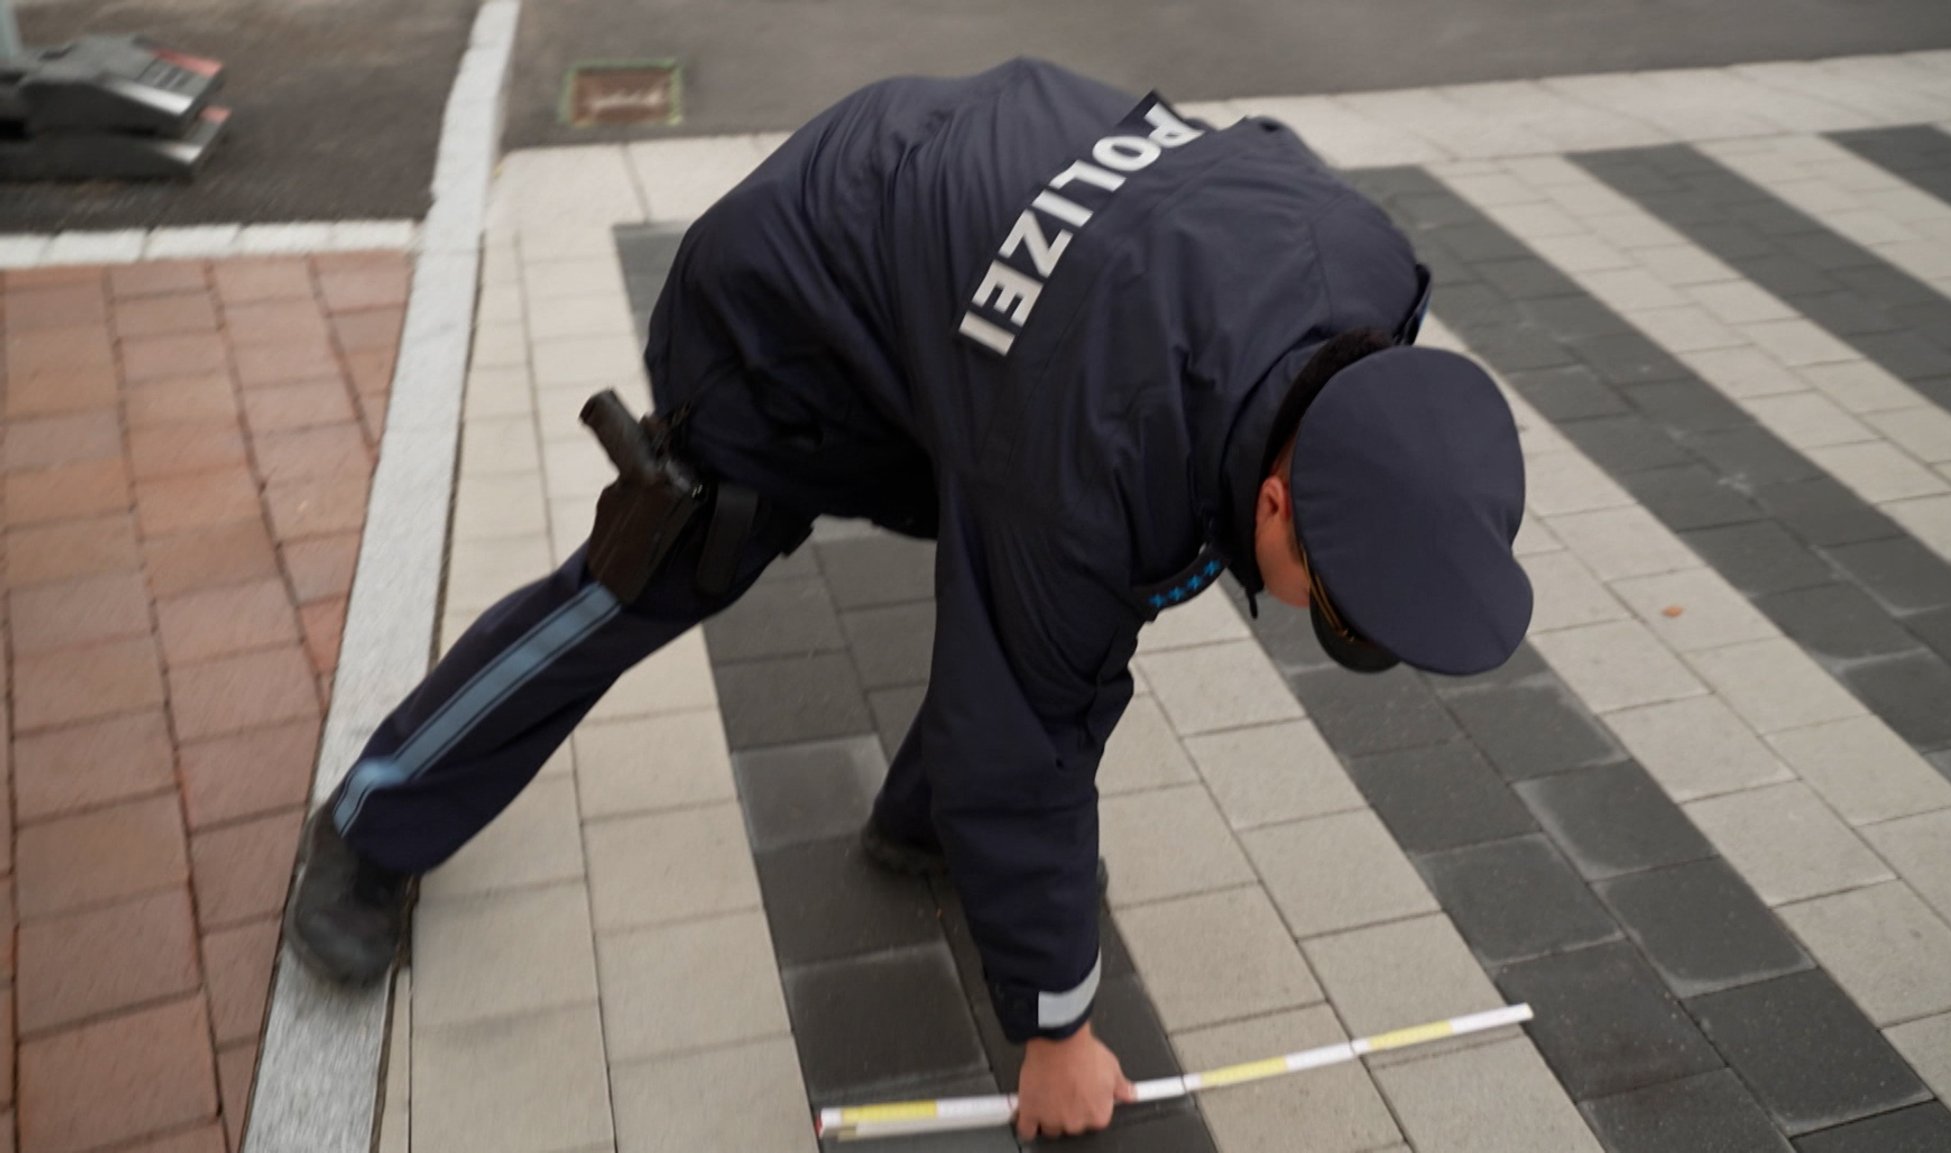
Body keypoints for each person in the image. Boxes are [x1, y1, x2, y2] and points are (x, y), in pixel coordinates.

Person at [284, 58, 1531, 1141]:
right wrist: (1056, 1029)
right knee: (658, 571)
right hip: (797, 294)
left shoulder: (1355, 278)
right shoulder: (1099, 456)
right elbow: (1027, 726)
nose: (1318, 618)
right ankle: (374, 818)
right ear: (1276, 501)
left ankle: (922, 825)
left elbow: (1066, 624)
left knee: (1058, 595)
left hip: (983, 284)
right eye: (1323, 591)